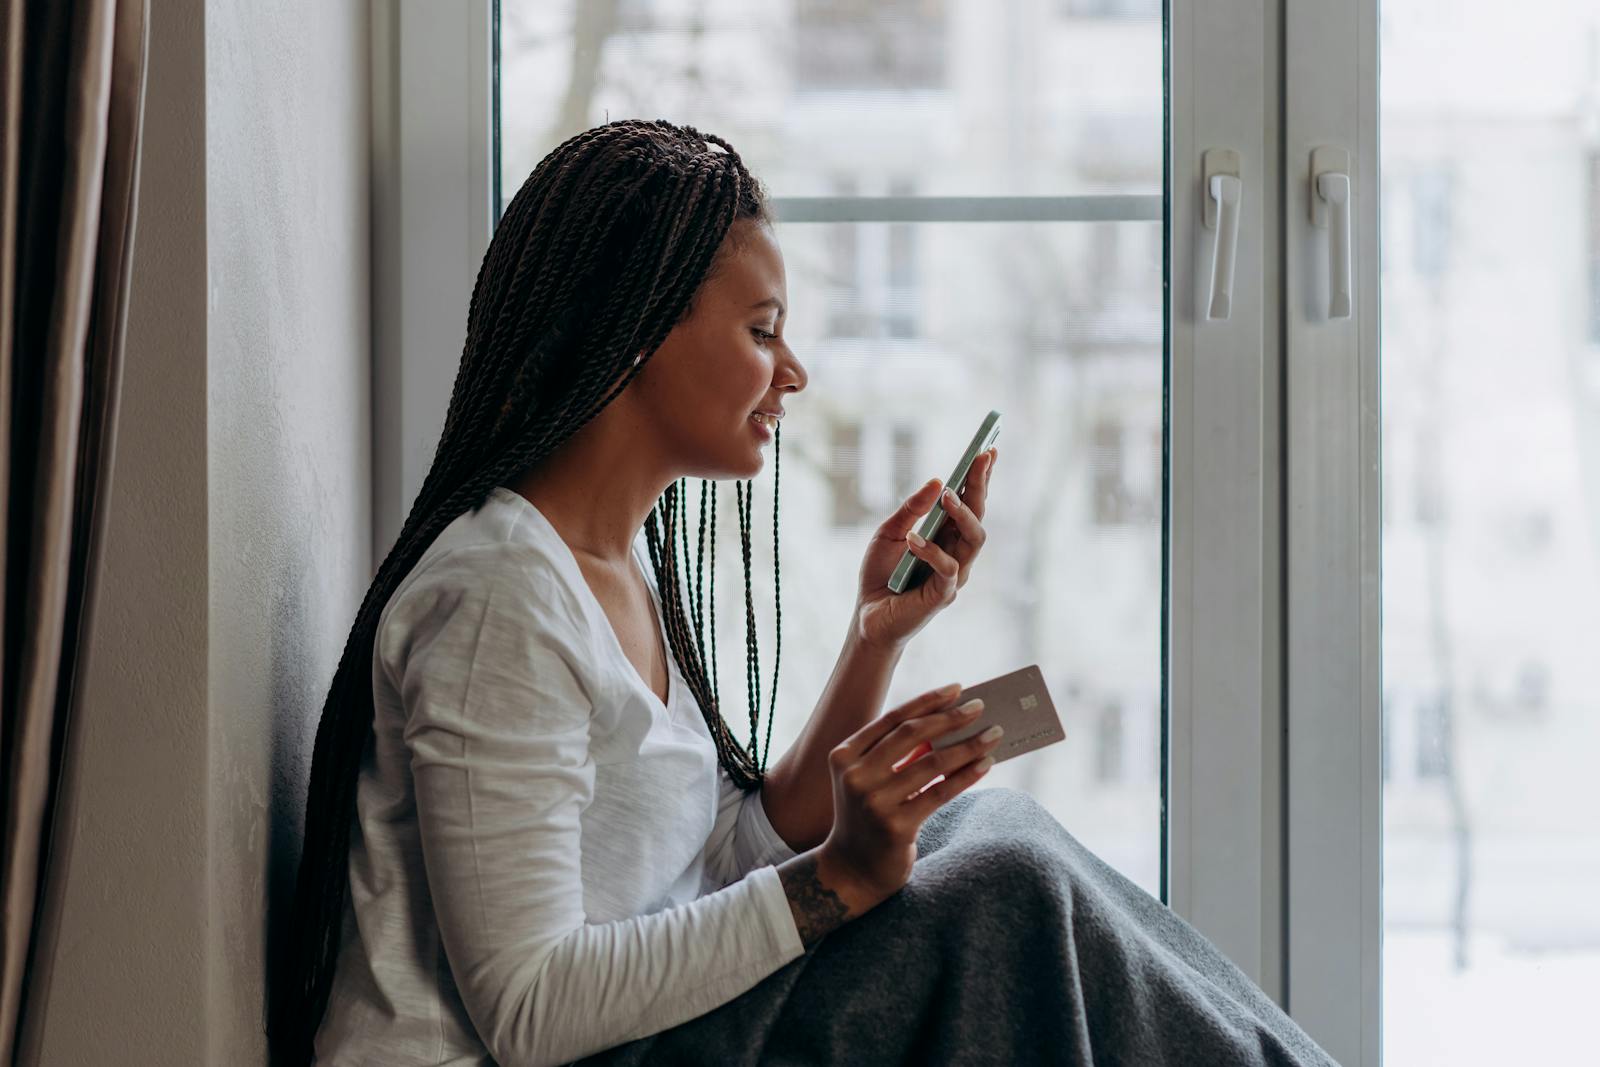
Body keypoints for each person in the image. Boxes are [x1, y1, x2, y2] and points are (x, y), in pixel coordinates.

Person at [273, 119, 1338, 1067]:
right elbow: (528, 1007)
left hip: (642, 1034)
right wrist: (836, 879)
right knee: (1002, 885)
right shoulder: (501, 595)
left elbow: (722, 857)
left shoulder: (607, 565)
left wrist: (874, 639)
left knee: (995, 828)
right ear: (637, 328)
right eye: (760, 329)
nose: (794, 371)